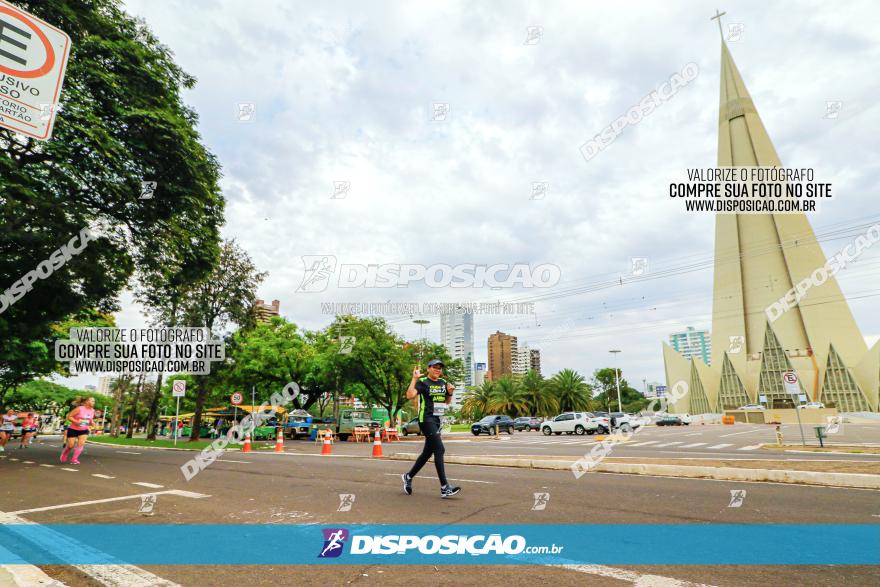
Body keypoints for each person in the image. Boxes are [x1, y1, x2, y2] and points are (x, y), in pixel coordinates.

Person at [401, 359, 461, 498]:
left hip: (437, 420)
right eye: (435, 367)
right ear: (428, 369)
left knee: (428, 453)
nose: (437, 370)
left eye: (440, 368)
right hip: (426, 419)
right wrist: (414, 378)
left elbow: (446, 402)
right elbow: (409, 395)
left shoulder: (444, 383)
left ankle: (408, 476)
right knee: (440, 449)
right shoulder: (423, 382)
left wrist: (450, 393)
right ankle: (445, 487)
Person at [61, 397, 96, 464]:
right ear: (86, 401)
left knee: (81, 444)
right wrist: (76, 422)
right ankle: (65, 453)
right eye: (92, 401)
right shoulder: (79, 409)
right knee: (71, 445)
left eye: (94, 401)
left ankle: (74, 459)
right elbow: (69, 416)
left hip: (84, 429)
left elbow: (90, 419)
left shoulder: (92, 410)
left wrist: (92, 423)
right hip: (73, 429)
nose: (93, 403)